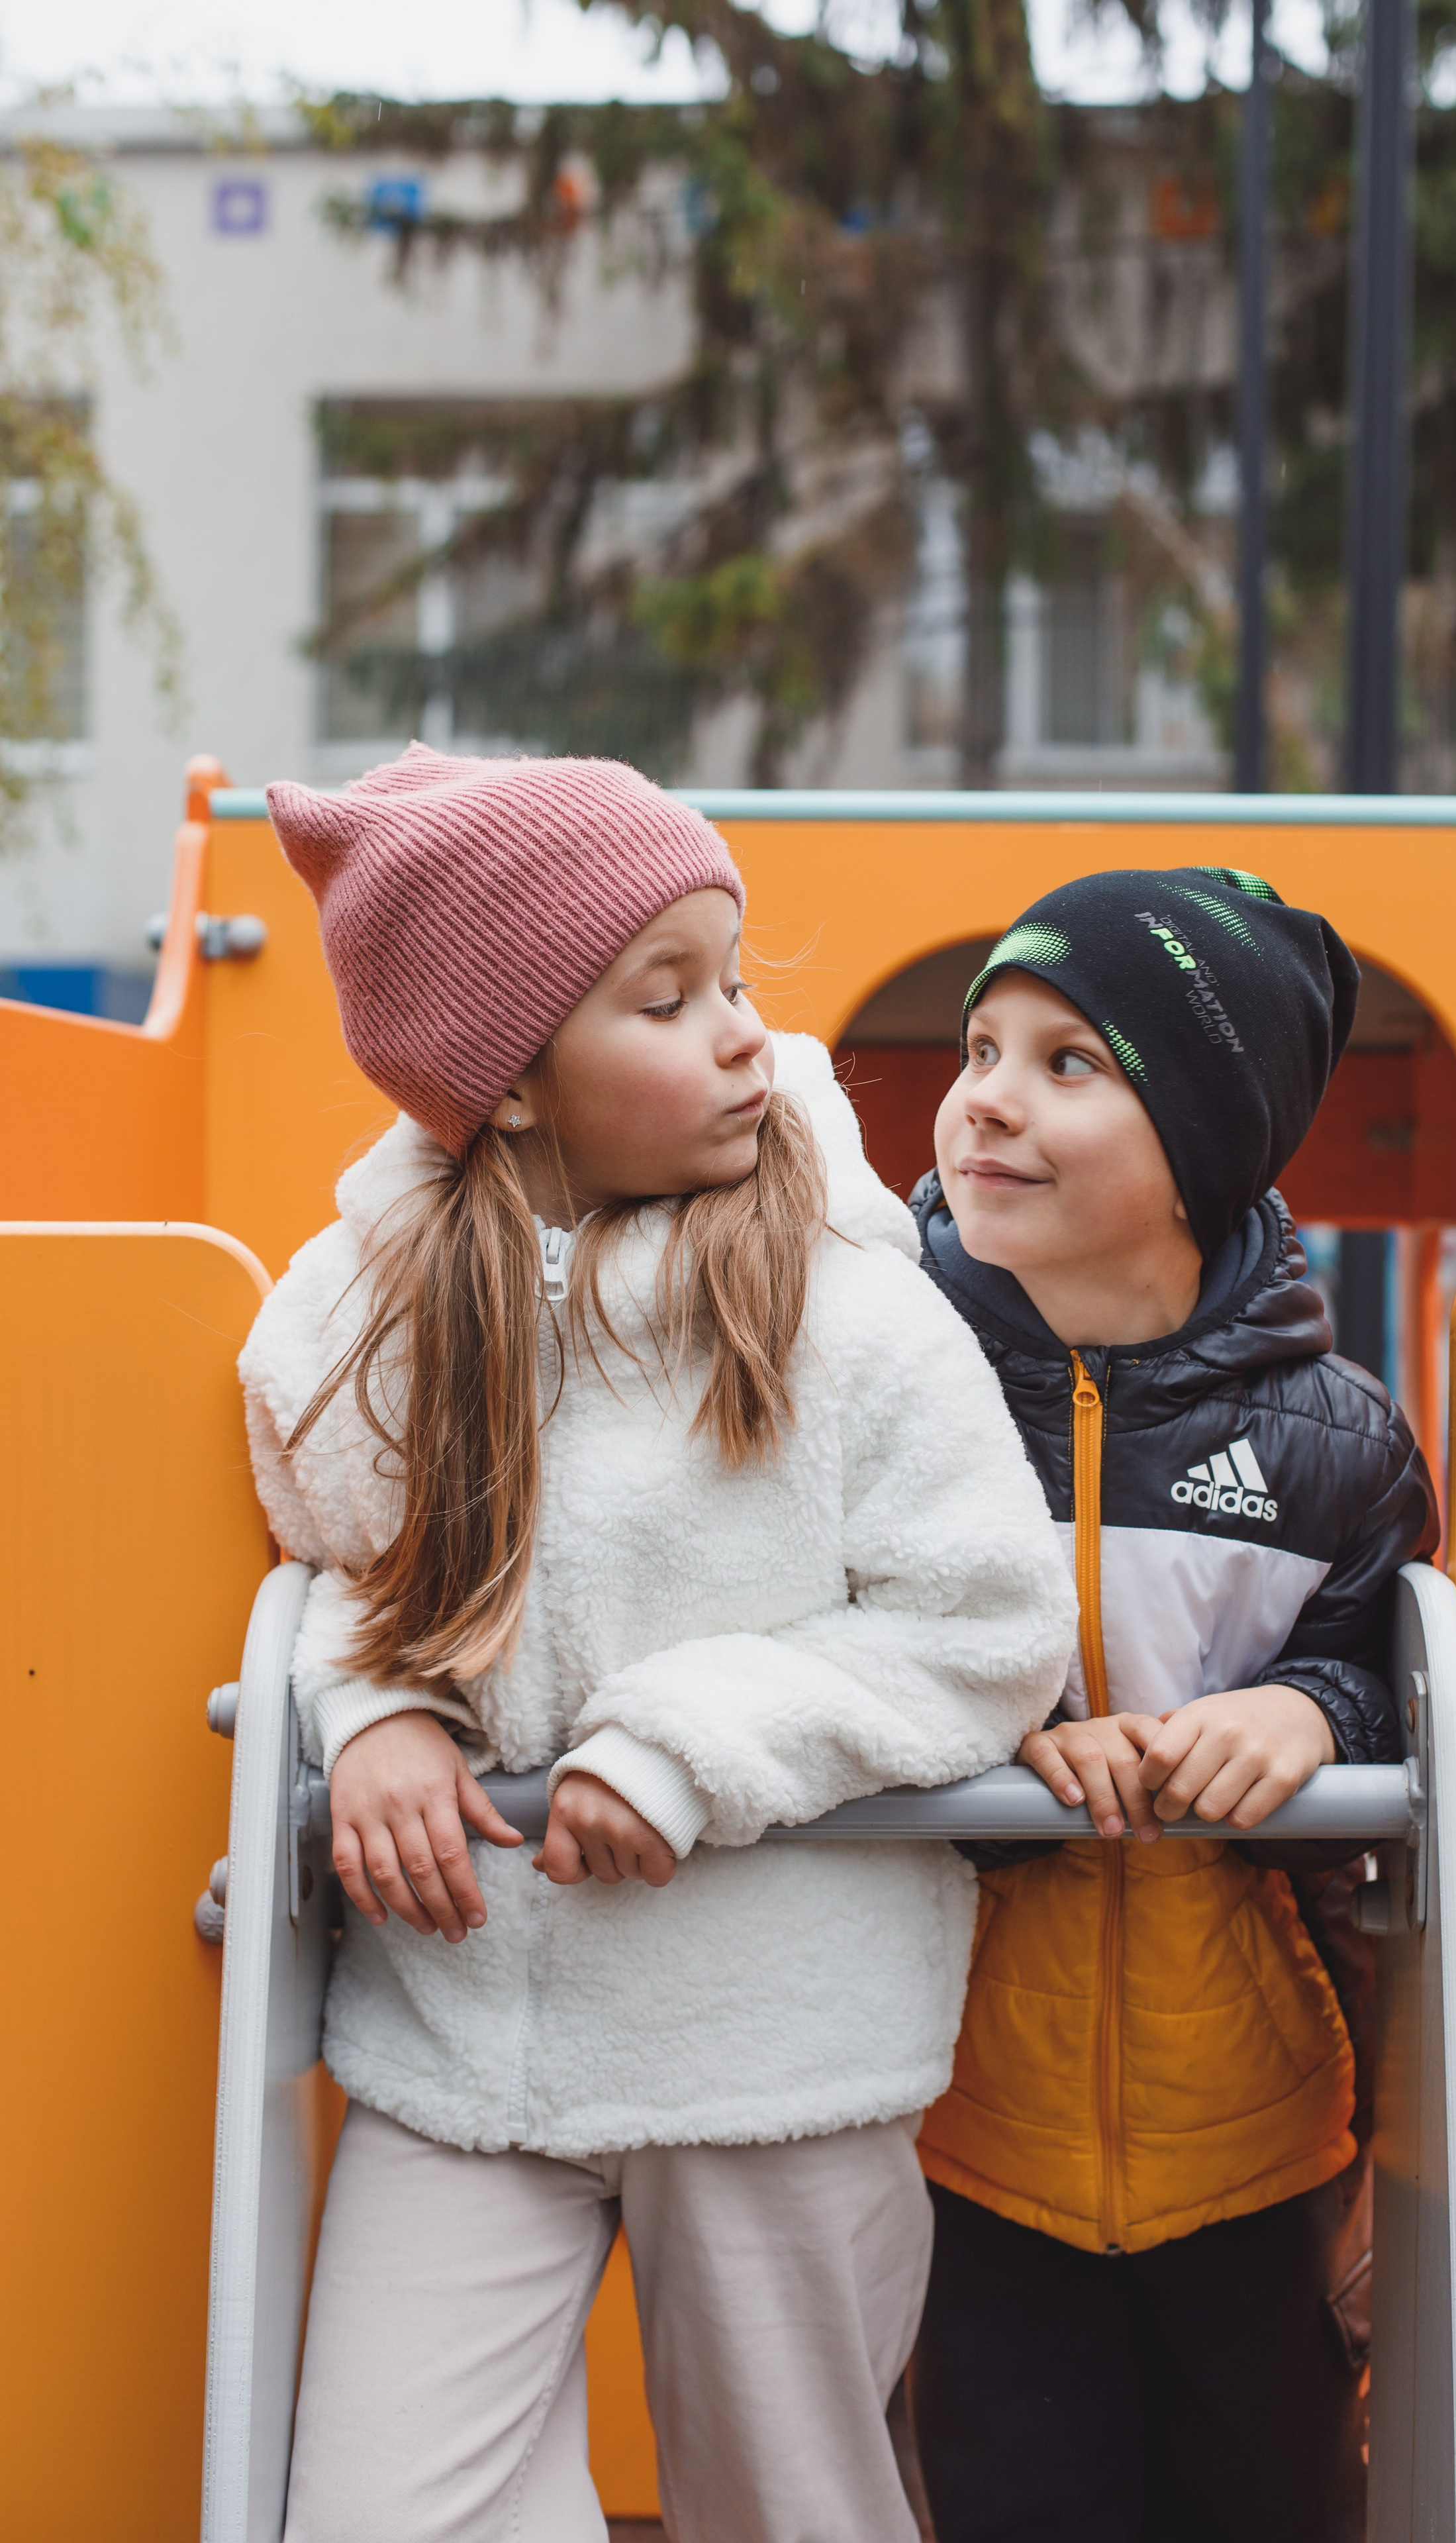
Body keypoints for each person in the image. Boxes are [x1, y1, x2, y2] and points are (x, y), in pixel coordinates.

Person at [238, 744, 1076, 2543]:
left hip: (773, 2063)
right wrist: (372, 1713)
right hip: (465, 2059)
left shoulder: (850, 1308)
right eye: (665, 996)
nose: (741, 1037)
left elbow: (992, 1626)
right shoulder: (360, 1328)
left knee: (798, 2514)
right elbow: (338, 1578)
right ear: (515, 1086)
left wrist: (688, 1743)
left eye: (735, 981)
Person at [906, 868, 1440, 2543]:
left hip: (1257, 2133)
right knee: (1017, 2497)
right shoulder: (882, 1384)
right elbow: (815, 1644)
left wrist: (1315, 1715)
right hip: (961, 2125)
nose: (987, 1094)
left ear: (1204, 1147)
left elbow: (1379, 1659)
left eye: (1070, 1063)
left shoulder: (1331, 1440)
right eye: (981, 1044)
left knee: (1270, 2496)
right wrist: (986, 1752)